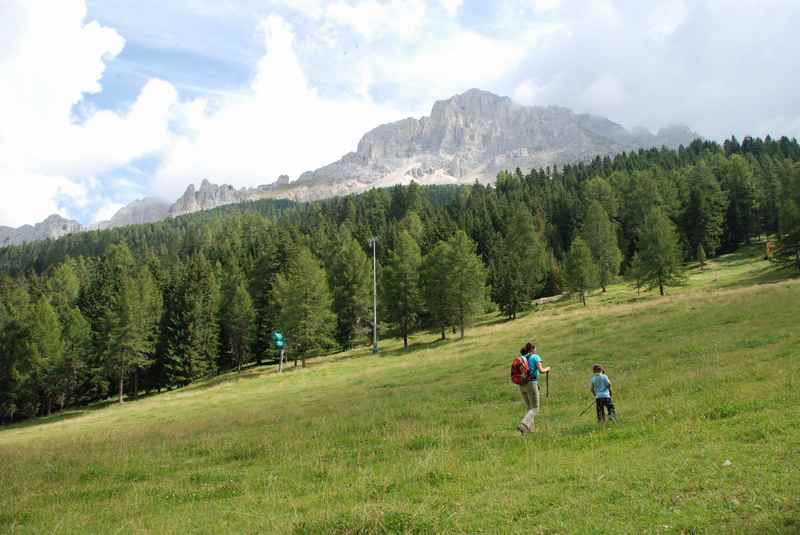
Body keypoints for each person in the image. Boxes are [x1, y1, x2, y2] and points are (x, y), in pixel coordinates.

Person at [517, 342, 551, 437]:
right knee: (535, 409)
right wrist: (547, 369)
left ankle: (529, 431)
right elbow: (541, 370)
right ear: (532, 349)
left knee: (529, 408)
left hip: (521, 385)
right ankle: (523, 425)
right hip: (531, 383)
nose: (536, 351)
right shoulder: (535, 357)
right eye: (535, 349)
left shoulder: (522, 358)